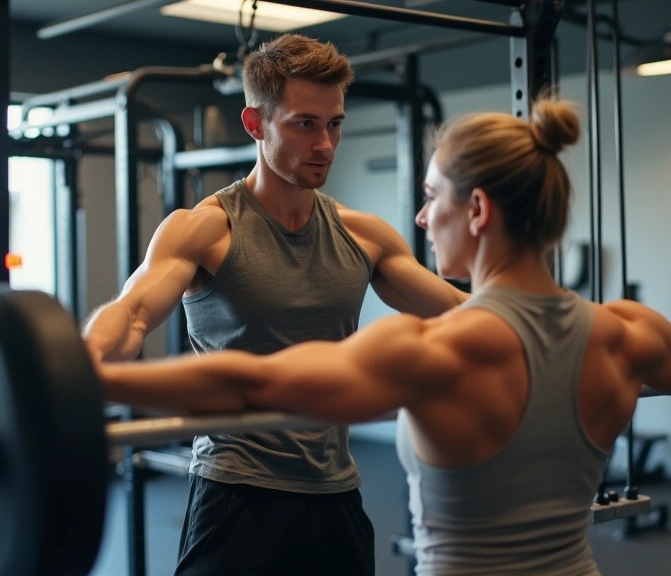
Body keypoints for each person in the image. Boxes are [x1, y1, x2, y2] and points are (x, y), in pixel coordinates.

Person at [95, 99, 671, 575]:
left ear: (475, 210)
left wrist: (79, 376)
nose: (418, 217)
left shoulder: (432, 353)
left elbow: (253, 382)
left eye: (432, 196)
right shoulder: (624, 334)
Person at [82, 34, 468, 576]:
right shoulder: (205, 230)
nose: (326, 144)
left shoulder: (365, 236)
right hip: (236, 494)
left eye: (334, 123)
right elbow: (134, 313)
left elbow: (463, 312)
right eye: (304, 123)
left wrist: (563, 328)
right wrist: (81, 365)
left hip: (335, 493)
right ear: (254, 123)